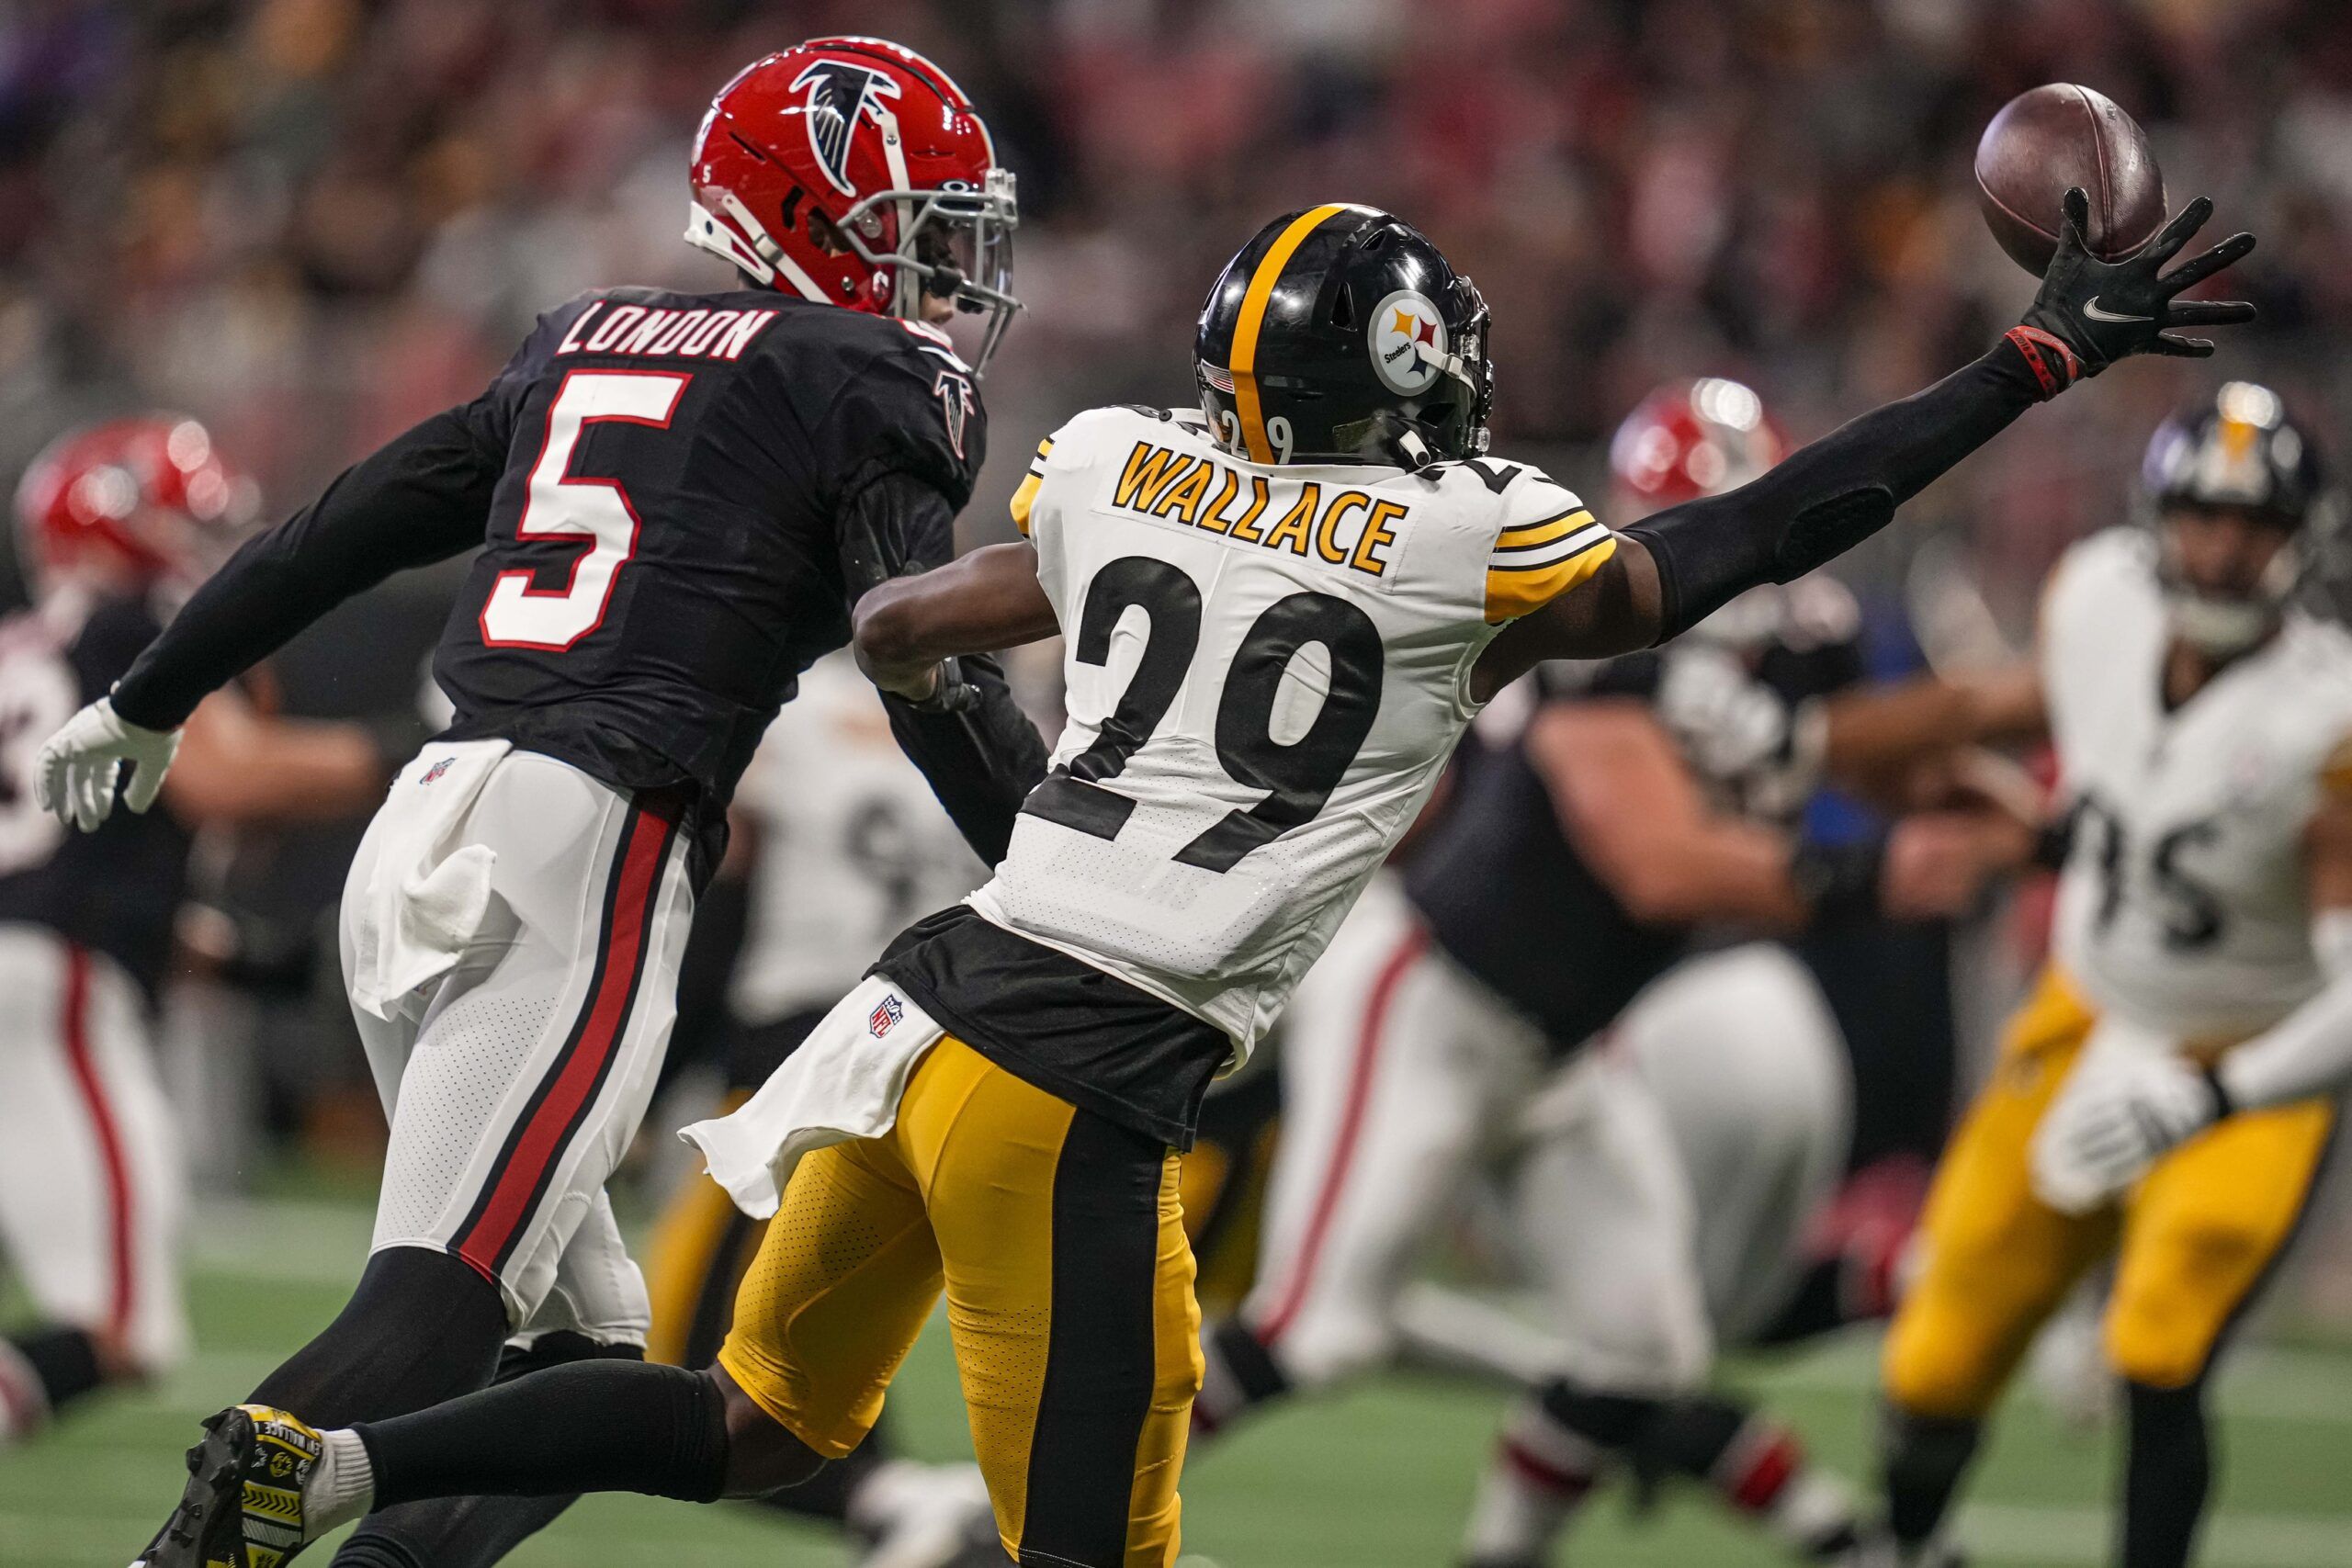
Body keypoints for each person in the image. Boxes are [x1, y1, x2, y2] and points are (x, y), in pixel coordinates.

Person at [126, 188, 2255, 1568]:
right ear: (1413, 373)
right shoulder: (1459, 541)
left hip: (920, 1000)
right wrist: (2025, 364)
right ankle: (352, 1468)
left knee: (762, 1416)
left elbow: (898, 627)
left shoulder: (1103, 463)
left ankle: (343, 1465)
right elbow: (1761, 531)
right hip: (1088, 1066)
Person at [32, 37, 1049, 1568]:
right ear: (807, 213)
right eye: (922, 227)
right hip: (586, 845)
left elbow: (346, 523)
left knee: (588, 1352)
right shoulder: (870, 378)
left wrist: (155, 691)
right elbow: (916, 658)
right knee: (437, 1305)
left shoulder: (583, 334)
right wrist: (1054, 870)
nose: (949, 274)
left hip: (429, 825)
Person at [1182, 378, 2034, 1568]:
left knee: (1644, 1350)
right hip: (1430, 1000)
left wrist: (2032, 818)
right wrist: (1873, 873)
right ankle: (1020, 1509)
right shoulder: (1589, 635)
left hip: (1561, 1050)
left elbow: (1878, 761)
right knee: (1316, 1331)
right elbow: (1660, 863)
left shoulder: (1806, 638)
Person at [1866, 383, 2351, 1568]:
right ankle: (1903, 1549)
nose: (2225, 551)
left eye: (2253, 526)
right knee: (1936, 1354)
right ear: (2155, 521)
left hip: (2246, 1062)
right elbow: (2102, 783)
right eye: (2202, 518)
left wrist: (2215, 1096)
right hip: (2085, 1014)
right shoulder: (2096, 603)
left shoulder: (2327, 716)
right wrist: (2002, 825)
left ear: (2300, 541)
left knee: (2157, 1341)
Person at [0, 415, 401, 1446]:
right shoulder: (133, 626)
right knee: (124, 1325)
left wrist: (234, 960)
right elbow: (220, 775)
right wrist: (417, 750)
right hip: (46, 987)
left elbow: (58, 854)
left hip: (38, 967)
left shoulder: (22, 647)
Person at [639, 648, 1002, 1568]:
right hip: (930, 1053)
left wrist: (652, 1071)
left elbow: (726, 895)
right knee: (812, 1337)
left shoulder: (793, 710)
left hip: (800, 1060)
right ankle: (901, 1509)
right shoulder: (984, 718)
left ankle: (921, 1508)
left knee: (690, 1365)